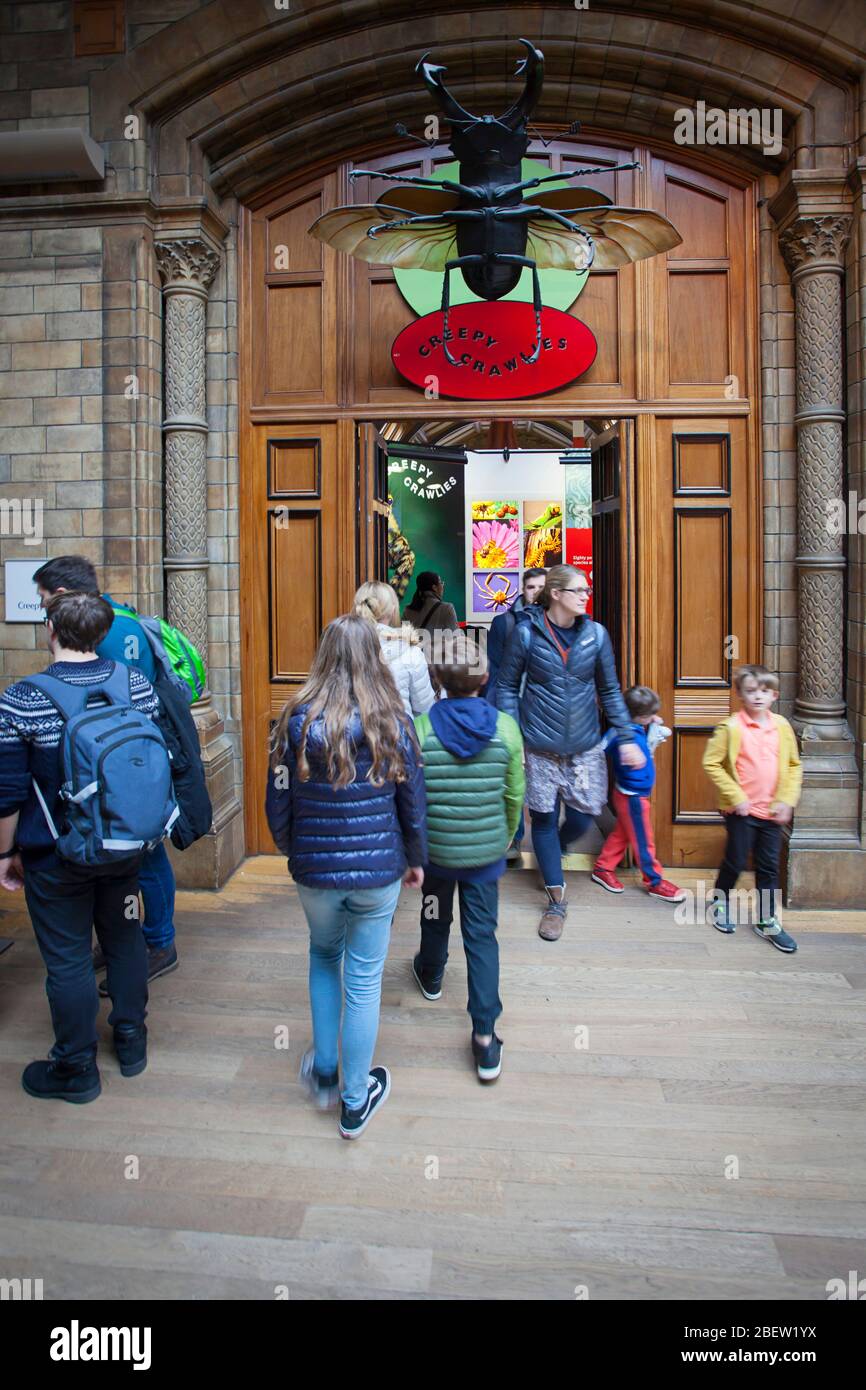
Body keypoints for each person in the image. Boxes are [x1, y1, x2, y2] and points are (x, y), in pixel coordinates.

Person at [265, 614, 427, 1139]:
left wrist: (294, 850)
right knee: (364, 979)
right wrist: (415, 857)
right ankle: (355, 1102)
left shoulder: (294, 720)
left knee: (322, 956)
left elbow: (279, 800)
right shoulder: (393, 721)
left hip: (315, 871)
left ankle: (327, 1070)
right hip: (378, 871)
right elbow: (412, 802)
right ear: (373, 658)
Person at [0, 593, 154, 1102]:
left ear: (51, 630)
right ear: (103, 633)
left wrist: (6, 855)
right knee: (126, 941)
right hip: (123, 844)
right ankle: (131, 1043)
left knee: (67, 959)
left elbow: (7, 794)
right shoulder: (135, 685)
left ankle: (76, 1068)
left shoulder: (22, 698)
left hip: (55, 853)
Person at [33, 557, 179, 986]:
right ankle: (136, 941)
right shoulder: (125, 620)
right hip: (138, 768)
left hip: (117, 774)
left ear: (60, 600)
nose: (41, 610)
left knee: (141, 863)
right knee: (144, 858)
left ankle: (156, 942)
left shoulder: (100, 634)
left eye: (43, 602)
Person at [496, 564, 644, 941]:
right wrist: (516, 740)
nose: (585, 596)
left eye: (586, 590)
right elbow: (507, 688)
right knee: (542, 821)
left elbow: (610, 690)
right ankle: (556, 900)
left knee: (583, 817)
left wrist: (626, 737)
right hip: (539, 747)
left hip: (584, 747)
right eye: (578, 590)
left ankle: (556, 850)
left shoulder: (596, 635)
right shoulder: (526, 634)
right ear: (557, 594)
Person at [412, 633, 524, 1083]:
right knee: (482, 935)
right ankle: (483, 1034)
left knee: (434, 914)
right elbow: (514, 794)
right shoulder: (506, 729)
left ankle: (432, 972)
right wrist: (504, 837)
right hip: (484, 855)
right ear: (485, 679)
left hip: (435, 851)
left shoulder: (420, 729)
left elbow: (411, 798)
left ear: (436, 678)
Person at [702, 664, 802, 952]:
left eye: (764, 691)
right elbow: (713, 763)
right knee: (735, 860)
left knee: (769, 867)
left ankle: (767, 919)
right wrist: (736, 796)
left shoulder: (782, 727)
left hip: (771, 813)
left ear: (774, 695)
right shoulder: (731, 728)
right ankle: (719, 901)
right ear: (741, 695)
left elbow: (794, 765)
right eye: (751, 691)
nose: (758, 696)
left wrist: (786, 799)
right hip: (741, 812)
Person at [591, 685, 684, 900]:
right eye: (650, 715)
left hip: (633, 794)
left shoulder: (634, 727)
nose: (655, 718)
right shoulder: (620, 734)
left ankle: (603, 868)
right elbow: (600, 749)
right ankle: (655, 881)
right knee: (643, 840)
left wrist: (652, 728)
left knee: (622, 833)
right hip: (631, 797)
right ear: (639, 716)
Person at [485, 567, 545, 862]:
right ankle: (515, 838)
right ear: (523, 589)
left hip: (545, 711)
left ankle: (549, 837)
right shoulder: (504, 623)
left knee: (544, 775)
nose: (537, 592)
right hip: (512, 708)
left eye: (542, 586)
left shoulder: (560, 624)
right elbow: (494, 671)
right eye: (532, 587)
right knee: (514, 774)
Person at [353, 580, 435, 718]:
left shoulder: (343, 645)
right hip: (397, 733)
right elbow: (424, 708)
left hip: (350, 734)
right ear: (392, 610)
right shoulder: (411, 652)